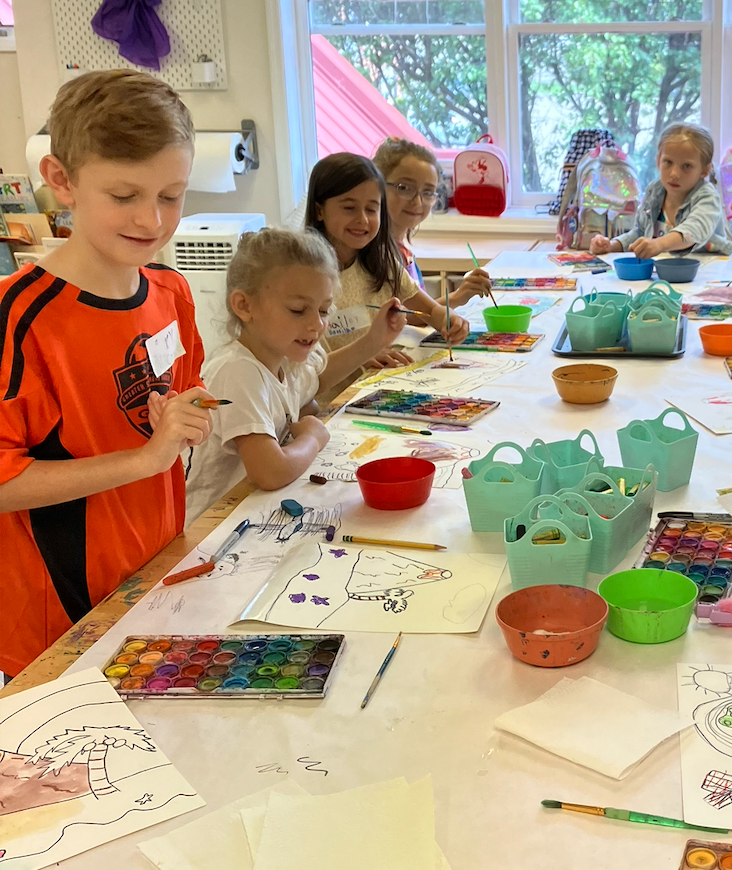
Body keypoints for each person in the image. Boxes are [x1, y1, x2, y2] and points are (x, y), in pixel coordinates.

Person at [0, 69, 215, 680]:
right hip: (62, 621)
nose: (152, 220)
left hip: (152, 581)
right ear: (61, 181)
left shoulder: (170, 291)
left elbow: (184, 406)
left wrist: (185, 418)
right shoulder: (21, 318)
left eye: (171, 195)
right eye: (124, 196)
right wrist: (145, 459)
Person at [184, 228, 408, 525]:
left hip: (253, 512)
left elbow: (318, 380)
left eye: (324, 310)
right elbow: (270, 471)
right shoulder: (237, 371)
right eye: (298, 310)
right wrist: (313, 437)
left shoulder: (284, 358)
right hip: (212, 528)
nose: (316, 324)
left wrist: (374, 341)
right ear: (244, 305)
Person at [303, 153, 467, 378]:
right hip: (330, 402)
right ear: (319, 210)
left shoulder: (381, 261)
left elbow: (428, 311)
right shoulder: (303, 276)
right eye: (349, 208)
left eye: (372, 209)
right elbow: (301, 369)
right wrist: (362, 354)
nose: (363, 220)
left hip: (376, 386)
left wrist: (450, 321)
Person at [372, 136, 490, 311]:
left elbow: (414, 310)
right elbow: (405, 316)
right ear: (377, 186)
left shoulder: (401, 250)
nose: (418, 202)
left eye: (428, 192)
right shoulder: (377, 255)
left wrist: (461, 294)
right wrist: (458, 296)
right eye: (404, 188)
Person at [589, 123, 732, 258]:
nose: (674, 174)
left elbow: (694, 230)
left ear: (704, 170)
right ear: (658, 161)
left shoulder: (707, 196)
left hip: (708, 272)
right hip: (665, 273)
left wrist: (659, 243)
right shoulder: (655, 191)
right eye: (668, 162)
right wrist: (612, 245)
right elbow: (639, 234)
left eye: (687, 166)